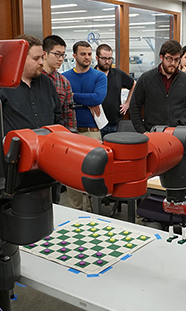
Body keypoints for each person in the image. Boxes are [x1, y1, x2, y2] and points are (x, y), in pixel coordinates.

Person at [62, 41, 108, 212]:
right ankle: (75, 212)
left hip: (92, 133)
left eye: (89, 54)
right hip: (71, 133)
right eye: (83, 54)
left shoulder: (99, 76)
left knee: (94, 175)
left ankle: (93, 213)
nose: (87, 57)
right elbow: (62, 101)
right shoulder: (65, 77)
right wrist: (83, 100)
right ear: (74, 56)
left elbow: (97, 98)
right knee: (71, 175)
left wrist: (72, 96)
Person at [0, 34, 62, 133]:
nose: (41, 62)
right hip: (16, 146)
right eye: (36, 58)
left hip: (46, 145)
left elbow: (58, 115)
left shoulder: (47, 82)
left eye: (42, 58)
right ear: (20, 58)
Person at [129, 40, 186, 133]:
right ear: (162, 57)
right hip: (153, 133)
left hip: (179, 133)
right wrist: (142, 131)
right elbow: (134, 106)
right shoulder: (146, 79)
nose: (173, 63)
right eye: (169, 59)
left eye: (176, 60)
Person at [94, 44, 135, 138]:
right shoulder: (91, 75)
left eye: (110, 58)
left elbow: (133, 84)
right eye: (104, 58)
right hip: (97, 124)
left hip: (115, 122)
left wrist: (127, 103)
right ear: (97, 57)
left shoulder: (118, 74)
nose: (107, 62)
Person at [42, 35, 76, 133]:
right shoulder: (33, 78)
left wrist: (71, 135)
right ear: (45, 54)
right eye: (57, 54)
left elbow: (69, 115)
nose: (61, 59)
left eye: (63, 55)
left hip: (56, 133)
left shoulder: (63, 82)